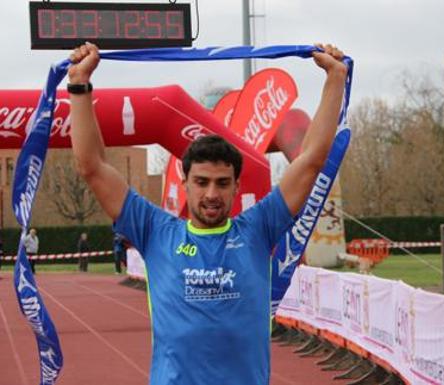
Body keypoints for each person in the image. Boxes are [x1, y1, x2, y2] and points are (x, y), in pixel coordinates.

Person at [68, 42, 347, 385]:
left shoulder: (258, 227)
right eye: (201, 182)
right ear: (185, 181)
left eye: (222, 183)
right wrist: (79, 85)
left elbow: (311, 160)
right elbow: (91, 167)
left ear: (236, 185)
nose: (212, 194)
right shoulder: (155, 230)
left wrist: (335, 78)